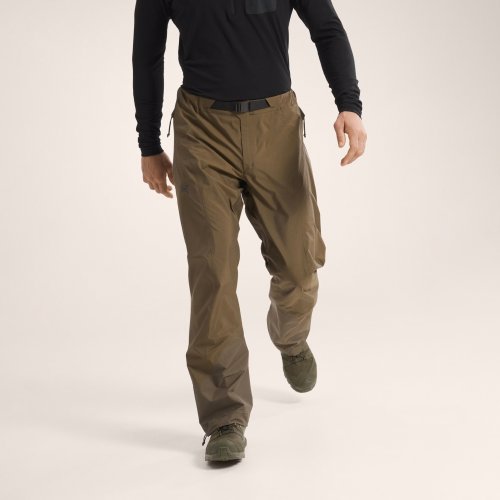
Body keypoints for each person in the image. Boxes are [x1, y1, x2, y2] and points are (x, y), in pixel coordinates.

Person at [132, 0, 367, 463]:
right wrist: (149, 144)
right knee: (213, 274)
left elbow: (327, 28)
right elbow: (147, 54)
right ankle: (224, 416)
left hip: (276, 127)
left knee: (300, 265)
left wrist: (349, 104)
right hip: (202, 130)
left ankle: (290, 337)